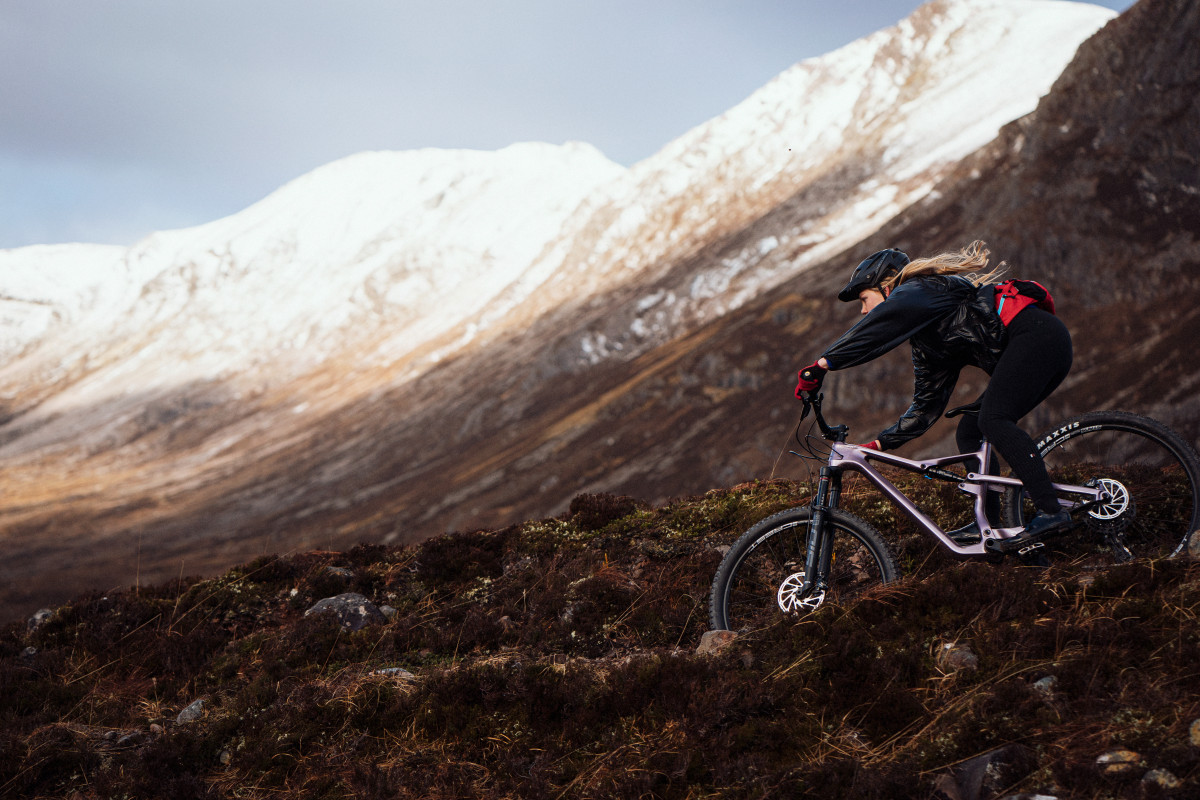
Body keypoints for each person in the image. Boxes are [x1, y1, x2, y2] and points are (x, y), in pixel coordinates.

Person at [794, 241, 1073, 551]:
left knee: (993, 419)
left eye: (864, 298)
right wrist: (880, 443)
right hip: (1040, 346)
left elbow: (879, 324)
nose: (863, 309)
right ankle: (991, 524)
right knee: (971, 430)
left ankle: (1052, 511)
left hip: (1038, 337)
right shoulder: (929, 342)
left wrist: (823, 364)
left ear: (888, 287)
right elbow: (926, 406)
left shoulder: (923, 288)